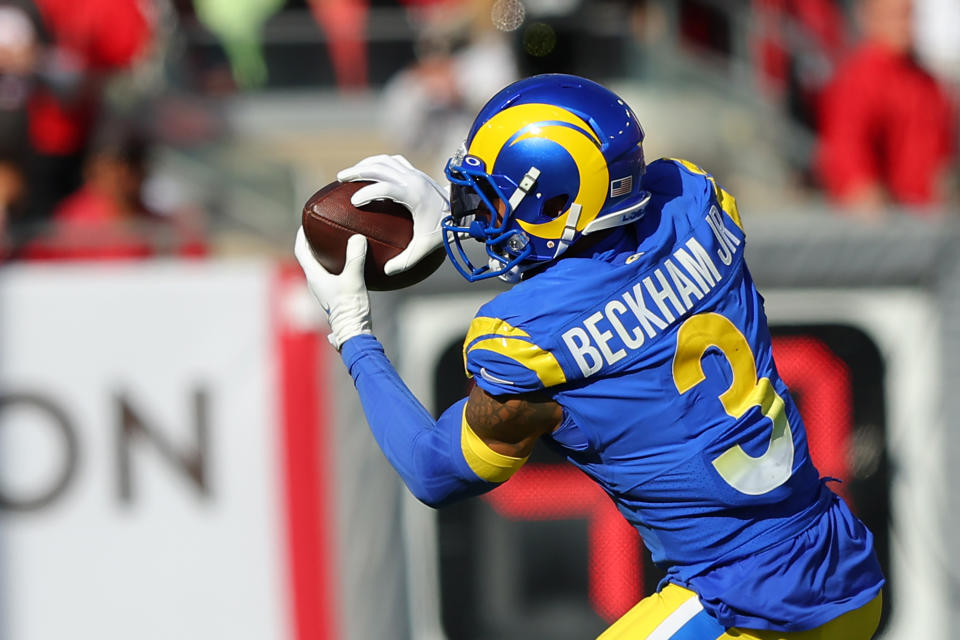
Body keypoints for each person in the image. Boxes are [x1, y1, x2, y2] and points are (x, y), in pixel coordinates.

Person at [295, 74, 885, 638]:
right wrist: (454, 208)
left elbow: (434, 470)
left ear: (550, 200)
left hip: (751, 605)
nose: (482, 210)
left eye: (493, 195)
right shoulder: (695, 200)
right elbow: (602, 245)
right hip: (840, 563)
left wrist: (353, 332)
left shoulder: (525, 338)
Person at [815, 0, 956, 211]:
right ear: (870, 20)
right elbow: (848, 156)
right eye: (895, 16)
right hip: (891, 225)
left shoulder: (926, 81)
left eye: (909, 16)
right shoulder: (858, 80)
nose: (905, 25)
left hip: (929, 219)